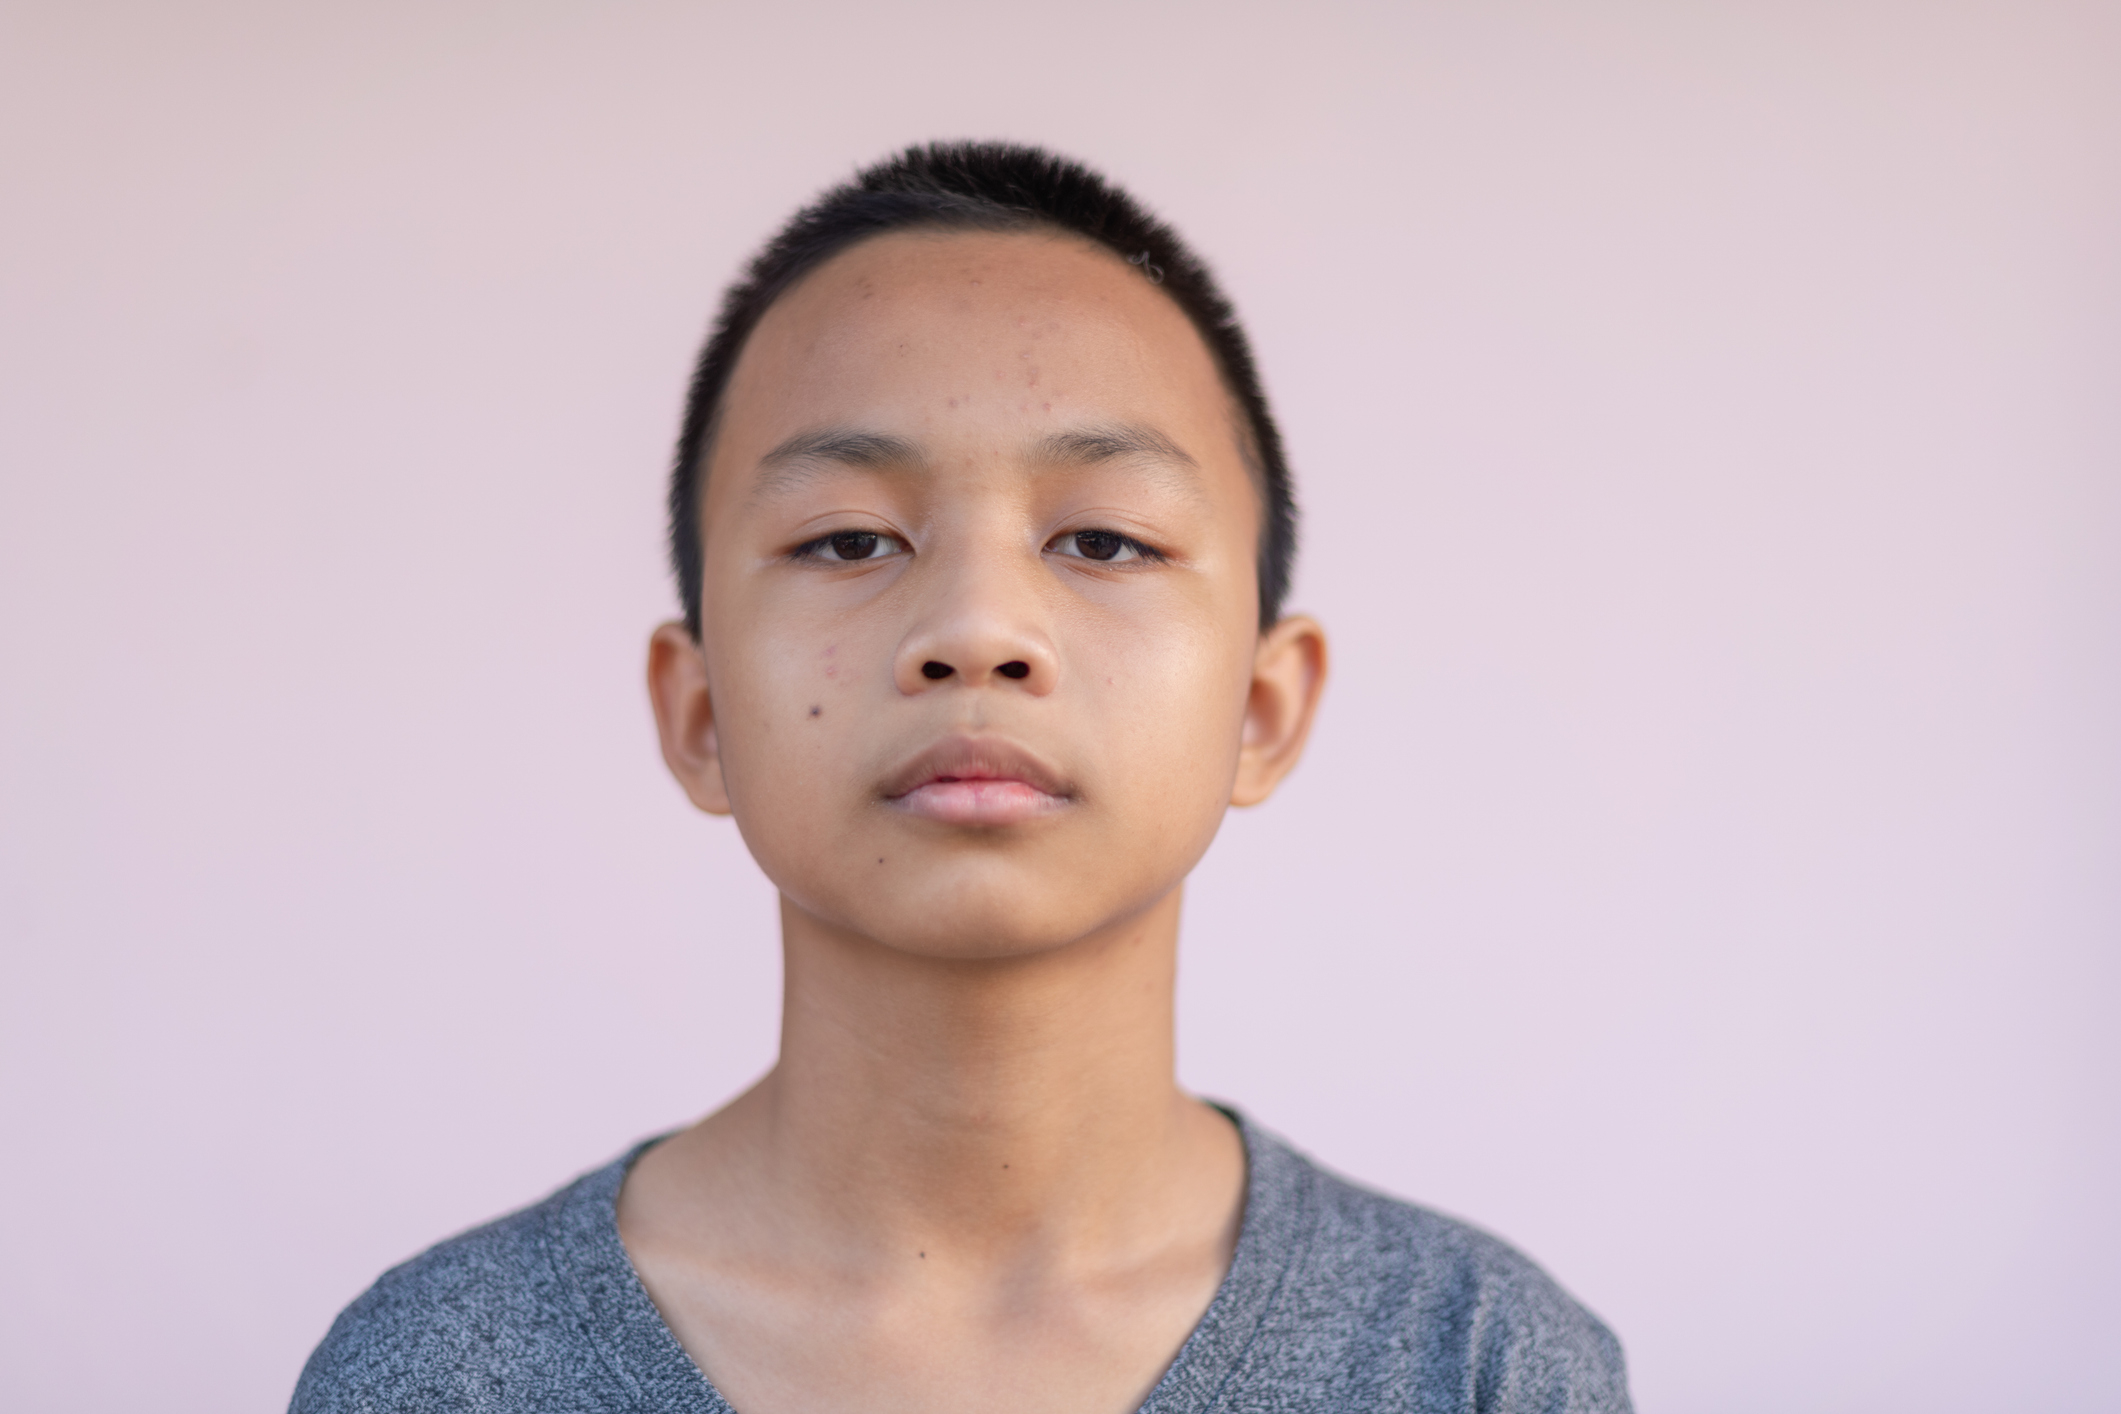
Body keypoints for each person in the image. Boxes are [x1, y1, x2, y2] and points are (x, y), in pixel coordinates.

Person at [292, 142, 1632, 1414]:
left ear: (1261, 708)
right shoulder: (445, 1370)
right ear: (699, 711)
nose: (978, 628)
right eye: (848, 539)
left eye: (1102, 539)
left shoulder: (1474, 1359)